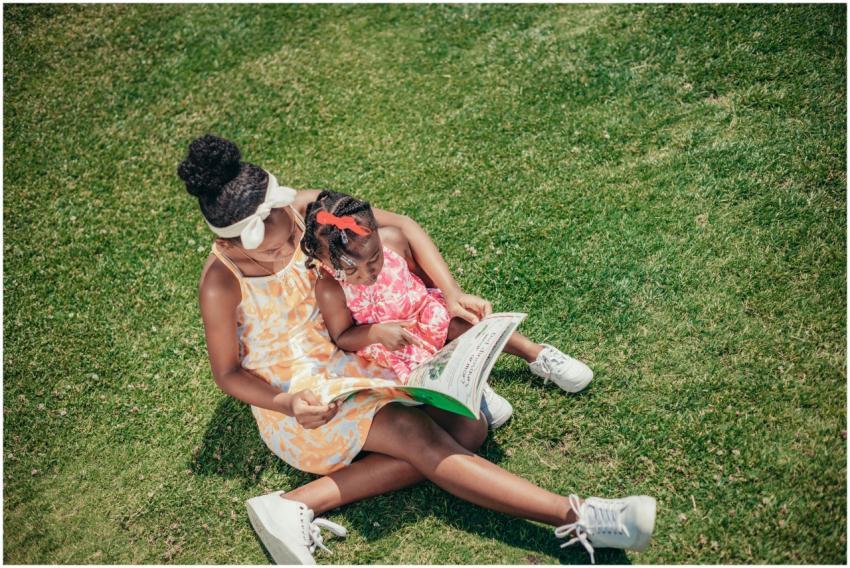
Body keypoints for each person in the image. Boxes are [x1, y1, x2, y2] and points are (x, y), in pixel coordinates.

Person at [178, 134, 656, 565]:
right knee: (416, 436)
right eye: (270, 252)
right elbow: (228, 375)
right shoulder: (221, 282)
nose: (286, 253)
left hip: (355, 357)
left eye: (289, 239)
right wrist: (288, 403)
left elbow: (399, 225)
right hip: (299, 396)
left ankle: (298, 502)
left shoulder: (306, 210)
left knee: (470, 430)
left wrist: (449, 294)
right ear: (232, 240)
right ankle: (580, 517)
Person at [300, 189, 594, 395]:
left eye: (375, 259)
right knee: (426, 378)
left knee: (463, 322)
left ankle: (536, 354)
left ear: (378, 234)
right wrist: (377, 333)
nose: (369, 273)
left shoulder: (392, 241)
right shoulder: (329, 289)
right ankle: (469, 388)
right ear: (324, 261)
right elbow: (343, 337)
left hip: (425, 313)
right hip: (395, 346)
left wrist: (452, 294)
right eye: (352, 271)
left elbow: (416, 267)